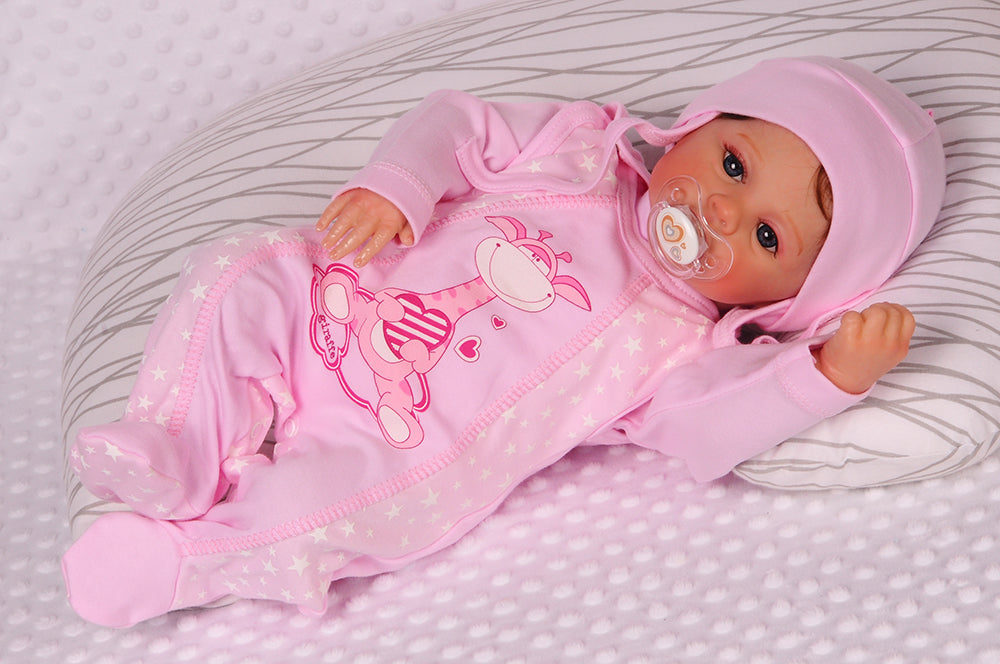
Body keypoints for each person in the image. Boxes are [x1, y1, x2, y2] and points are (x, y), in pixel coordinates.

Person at [62, 56, 946, 627]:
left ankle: (185, 561)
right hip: (334, 297)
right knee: (238, 272)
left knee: (325, 509)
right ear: (697, 126)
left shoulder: (685, 346)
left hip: (396, 446)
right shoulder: (582, 151)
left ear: (796, 298)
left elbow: (708, 425)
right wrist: (399, 185)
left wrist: (826, 375)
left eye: (767, 236)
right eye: (733, 164)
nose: (719, 208)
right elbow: (460, 123)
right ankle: (177, 445)